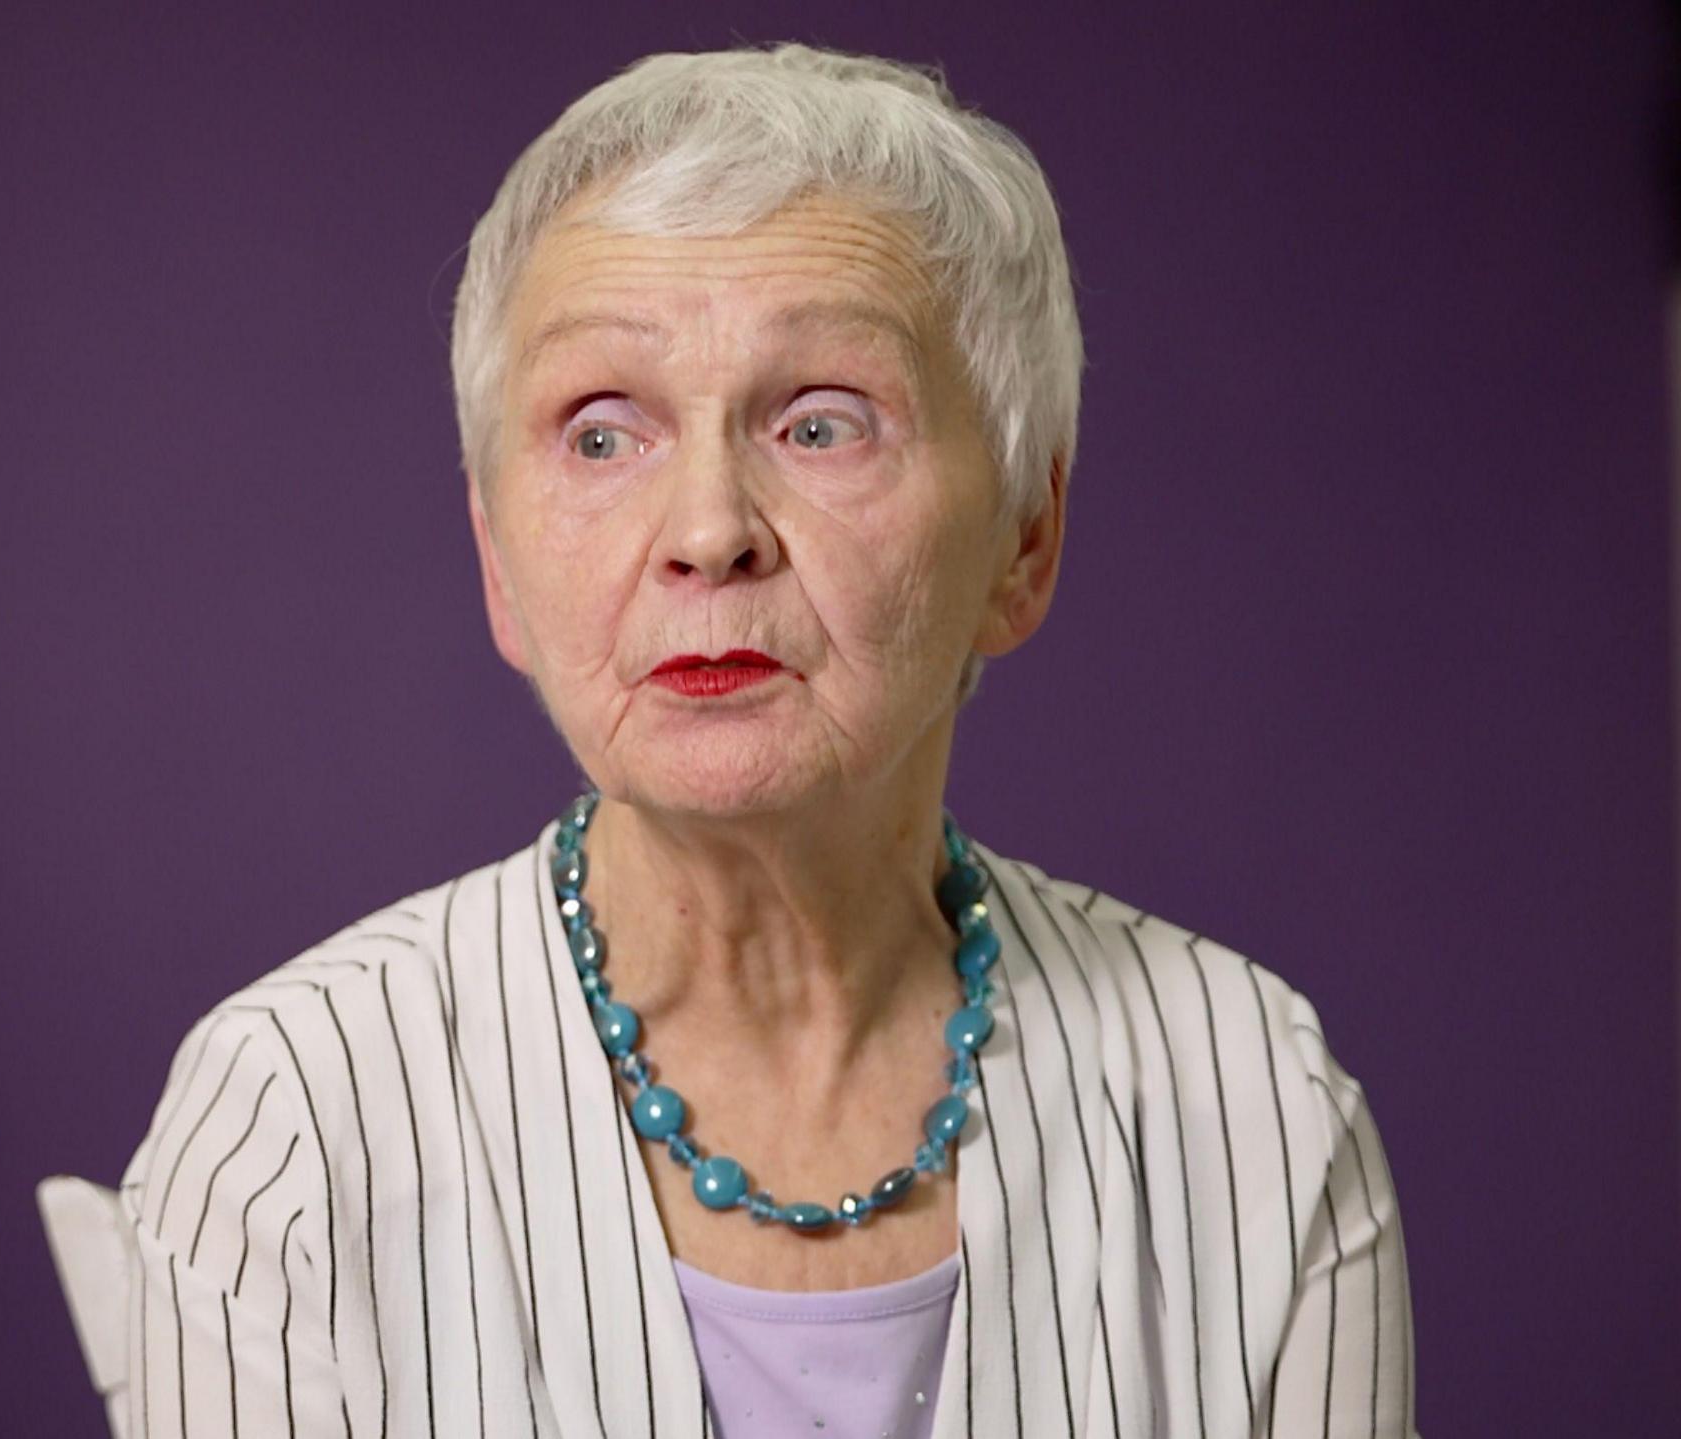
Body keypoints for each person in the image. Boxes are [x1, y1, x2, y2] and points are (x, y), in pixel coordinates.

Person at [99, 41, 1415, 1438]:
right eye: (601, 435)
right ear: (499, 565)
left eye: (823, 422)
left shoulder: (1252, 1101)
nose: (710, 530)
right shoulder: (292, 1120)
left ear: (1024, 540)